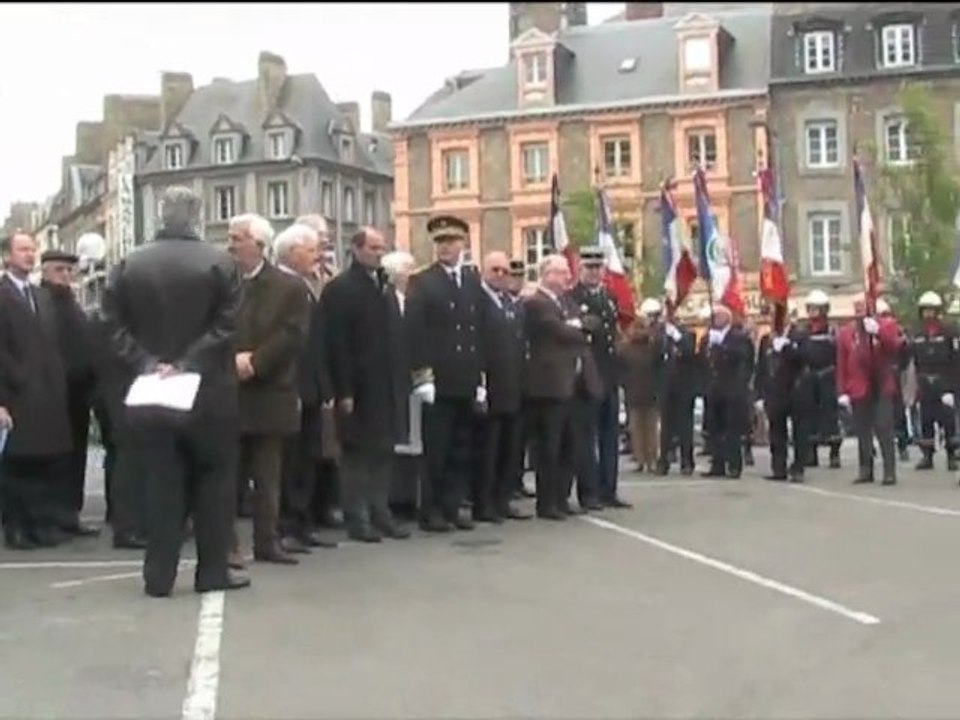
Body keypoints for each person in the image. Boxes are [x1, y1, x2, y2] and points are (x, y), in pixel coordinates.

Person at [102, 186, 248, 597]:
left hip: (152, 391)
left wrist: (148, 362)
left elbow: (111, 324)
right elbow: (229, 325)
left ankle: (158, 575)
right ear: (198, 216)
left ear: (160, 215)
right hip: (210, 392)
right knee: (214, 485)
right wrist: (188, 363)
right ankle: (212, 570)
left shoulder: (130, 264)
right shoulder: (221, 263)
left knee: (162, 484)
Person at [228, 216, 311, 565]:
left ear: (259, 245)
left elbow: (292, 334)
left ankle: (267, 540)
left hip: (270, 390)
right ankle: (226, 545)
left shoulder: (288, 287)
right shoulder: (220, 282)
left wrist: (255, 362)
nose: (230, 245)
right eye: (230, 238)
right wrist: (231, 360)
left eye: (238, 238)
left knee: (267, 476)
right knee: (227, 477)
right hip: (228, 390)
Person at [323, 227, 412, 542]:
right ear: (357, 249)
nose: (379, 252)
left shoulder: (384, 287)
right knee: (357, 455)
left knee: (383, 451)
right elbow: (337, 344)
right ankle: (357, 518)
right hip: (358, 387)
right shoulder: (341, 289)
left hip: (387, 384)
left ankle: (380, 511)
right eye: (373, 247)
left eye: (382, 248)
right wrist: (343, 390)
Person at [406, 215, 486, 533]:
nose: (445, 248)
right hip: (438, 379)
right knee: (436, 450)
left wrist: (480, 379)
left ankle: (453, 507)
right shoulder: (423, 281)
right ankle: (433, 509)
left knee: (460, 449)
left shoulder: (470, 281)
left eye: (451, 242)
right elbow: (416, 332)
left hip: (465, 378)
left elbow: (477, 331)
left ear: (463, 244)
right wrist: (423, 377)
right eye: (440, 243)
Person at [0, 232, 73, 550]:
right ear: (6, 256)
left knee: (43, 462)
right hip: (15, 392)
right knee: (17, 466)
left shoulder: (41, 296)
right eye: (22, 250)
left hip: (46, 394)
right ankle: (17, 527)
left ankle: (41, 525)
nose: (29, 255)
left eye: (32, 250)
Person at [274, 217, 337, 553]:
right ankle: (286, 526)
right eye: (310, 250)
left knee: (309, 458)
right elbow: (287, 343)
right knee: (290, 461)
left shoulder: (307, 286)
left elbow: (317, 344)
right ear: (291, 253)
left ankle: (302, 522)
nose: (317, 255)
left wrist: (325, 388)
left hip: (312, 387)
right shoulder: (282, 287)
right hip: (291, 388)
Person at [522, 254, 590, 520]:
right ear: (546, 274)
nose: (566, 277)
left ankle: (561, 496)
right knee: (548, 446)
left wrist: (577, 325)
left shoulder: (563, 301)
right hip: (547, 385)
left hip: (570, 383)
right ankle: (547, 501)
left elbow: (587, 321)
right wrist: (577, 327)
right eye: (560, 272)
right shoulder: (537, 303)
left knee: (568, 444)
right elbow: (558, 331)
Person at [39, 248, 100, 537]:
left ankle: (69, 514)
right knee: (54, 458)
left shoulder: (71, 301)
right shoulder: (41, 301)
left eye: (68, 271)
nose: (65, 276)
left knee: (76, 456)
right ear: (46, 271)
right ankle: (53, 515)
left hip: (78, 392)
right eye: (58, 270)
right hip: (52, 393)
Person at [566, 246, 627, 507]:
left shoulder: (609, 297)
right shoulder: (571, 298)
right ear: (579, 269)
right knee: (586, 437)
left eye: (597, 268)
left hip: (609, 375)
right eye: (589, 268)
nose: (594, 273)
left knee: (609, 436)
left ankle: (608, 489)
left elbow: (613, 337)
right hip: (586, 377)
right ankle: (588, 492)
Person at [475, 251, 531, 522]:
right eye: (495, 270)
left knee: (510, 449)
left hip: (513, 387)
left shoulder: (513, 304)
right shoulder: (478, 302)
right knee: (488, 452)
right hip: (490, 387)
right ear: (484, 271)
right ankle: (484, 503)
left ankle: (503, 499)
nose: (500, 275)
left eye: (504, 271)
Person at [836, 296, 904, 485]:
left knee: (884, 427)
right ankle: (865, 469)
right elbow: (842, 363)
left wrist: (879, 332)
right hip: (858, 387)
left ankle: (889, 471)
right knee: (862, 431)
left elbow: (894, 348)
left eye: (862, 308)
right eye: (856, 309)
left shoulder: (886, 326)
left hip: (881, 384)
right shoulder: (846, 333)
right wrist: (842, 391)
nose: (859, 313)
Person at [382, 250, 423, 521]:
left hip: (413, 378)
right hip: (391, 378)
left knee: (413, 439)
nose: (414, 274)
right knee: (396, 440)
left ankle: (409, 496)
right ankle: (394, 499)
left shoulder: (413, 301)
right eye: (409, 269)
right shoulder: (385, 301)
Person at [755, 304, 809, 483]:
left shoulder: (799, 335)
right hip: (775, 391)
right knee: (776, 432)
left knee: (799, 432)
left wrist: (788, 347)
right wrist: (759, 394)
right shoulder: (767, 339)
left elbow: (805, 358)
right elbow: (761, 368)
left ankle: (799, 467)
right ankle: (778, 467)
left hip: (795, 389)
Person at [907, 291, 959, 471]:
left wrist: (952, 388)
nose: (928, 314)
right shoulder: (917, 332)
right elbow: (911, 357)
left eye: (931, 310)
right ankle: (927, 455)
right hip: (924, 381)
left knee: (948, 420)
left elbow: (956, 360)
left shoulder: (950, 331)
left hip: (944, 379)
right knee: (926, 419)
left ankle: (952, 455)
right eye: (925, 310)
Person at [701, 304, 753, 479]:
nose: (715, 319)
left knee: (732, 430)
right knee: (715, 429)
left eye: (718, 316)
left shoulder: (738, 337)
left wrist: (722, 348)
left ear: (727, 318)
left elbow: (743, 356)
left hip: (732, 388)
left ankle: (734, 465)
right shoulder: (709, 337)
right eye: (713, 316)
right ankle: (718, 464)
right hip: (714, 388)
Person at [648, 298, 698, 475]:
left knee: (685, 426)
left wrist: (677, 337)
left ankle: (687, 461)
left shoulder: (687, 334)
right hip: (665, 385)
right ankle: (664, 461)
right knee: (666, 427)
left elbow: (690, 353)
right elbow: (654, 360)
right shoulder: (660, 335)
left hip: (683, 386)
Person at [796, 289, 843, 468]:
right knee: (810, 416)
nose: (813, 312)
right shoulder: (804, 331)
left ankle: (834, 453)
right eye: (811, 308)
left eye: (817, 308)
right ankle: (811, 453)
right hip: (810, 377)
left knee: (830, 415)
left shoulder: (832, 331)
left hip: (827, 375)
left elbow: (839, 354)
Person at [618, 312, 658, 472]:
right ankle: (643, 459)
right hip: (637, 390)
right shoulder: (627, 348)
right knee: (638, 427)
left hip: (646, 390)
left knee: (648, 427)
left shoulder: (652, 346)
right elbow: (620, 368)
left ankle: (649, 459)